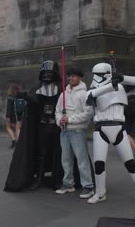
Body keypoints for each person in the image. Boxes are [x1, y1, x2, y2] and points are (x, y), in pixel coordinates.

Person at [84, 62, 135, 206]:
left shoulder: (121, 87)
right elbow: (90, 96)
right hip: (101, 129)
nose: (97, 78)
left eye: (100, 75)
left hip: (118, 129)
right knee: (99, 164)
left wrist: (121, 77)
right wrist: (111, 84)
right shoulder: (93, 90)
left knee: (130, 164)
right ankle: (100, 192)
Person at [4, 60, 63, 191]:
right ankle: (39, 177)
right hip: (42, 125)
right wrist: (26, 97)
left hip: (56, 126)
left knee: (58, 153)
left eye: (50, 73)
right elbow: (35, 104)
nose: (47, 75)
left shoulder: (61, 89)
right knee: (41, 153)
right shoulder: (37, 89)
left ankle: (57, 178)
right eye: (45, 72)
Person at [54, 67, 95, 199]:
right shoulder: (63, 94)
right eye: (69, 76)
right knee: (65, 160)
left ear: (80, 78)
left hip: (78, 131)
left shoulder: (85, 94)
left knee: (82, 160)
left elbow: (89, 113)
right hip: (64, 131)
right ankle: (68, 184)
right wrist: (59, 120)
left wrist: (70, 119)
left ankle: (88, 186)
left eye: (74, 76)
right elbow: (57, 110)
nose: (71, 78)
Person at [5, 84, 23, 148]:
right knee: (18, 129)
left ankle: (13, 141)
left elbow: (9, 108)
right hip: (19, 115)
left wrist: (7, 116)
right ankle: (19, 142)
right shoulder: (20, 97)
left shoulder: (10, 98)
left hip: (12, 115)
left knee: (8, 127)